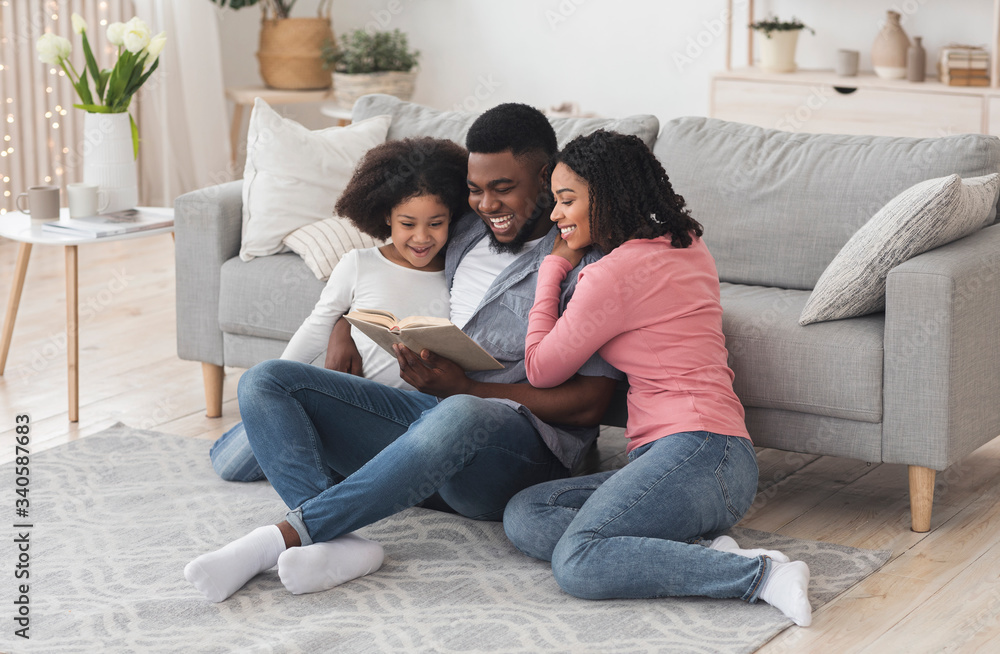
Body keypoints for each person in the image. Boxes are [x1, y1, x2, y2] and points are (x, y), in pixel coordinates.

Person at [185, 103, 622, 603]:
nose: (487, 204)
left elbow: (590, 404)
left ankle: (278, 538)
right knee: (267, 380)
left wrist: (469, 389)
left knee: (460, 410)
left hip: (520, 454)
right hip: (431, 430)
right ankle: (338, 544)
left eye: (503, 189)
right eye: (475, 190)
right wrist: (343, 323)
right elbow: (391, 242)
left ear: (546, 178)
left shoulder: (591, 259)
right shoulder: (463, 229)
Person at [503, 130, 813, 627]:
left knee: (577, 562)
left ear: (605, 197)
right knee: (527, 511)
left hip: (698, 450)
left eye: (566, 201)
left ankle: (758, 577)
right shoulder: (684, 241)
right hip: (705, 461)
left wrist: (552, 269)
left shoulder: (612, 273)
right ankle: (701, 549)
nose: (556, 216)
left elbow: (542, 369)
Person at [207, 137, 468, 483]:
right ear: (386, 216)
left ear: (452, 217)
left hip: (403, 415)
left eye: (436, 223)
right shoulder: (359, 264)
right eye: (408, 224)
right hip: (346, 399)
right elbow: (316, 327)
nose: (422, 237)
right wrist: (274, 385)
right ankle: (276, 426)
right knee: (230, 466)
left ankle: (307, 451)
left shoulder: (457, 273)